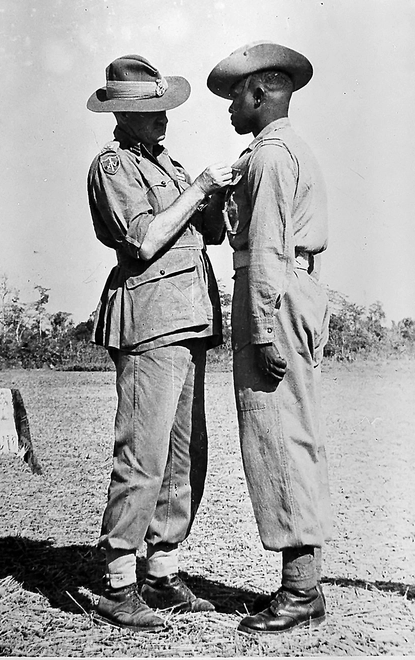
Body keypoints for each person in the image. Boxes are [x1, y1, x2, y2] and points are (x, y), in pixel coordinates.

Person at [86, 54, 232, 632]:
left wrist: (213, 197)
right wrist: (198, 189)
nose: (162, 119)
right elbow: (143, 240)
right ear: (123, 114)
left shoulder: (166, 164)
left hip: (188, 319)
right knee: (142, 455)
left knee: (183, 456)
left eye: (163, 108)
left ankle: (162, 572)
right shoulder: (113, 167)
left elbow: (211, 233)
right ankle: (120, 582)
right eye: (150, 111)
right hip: (149, 322)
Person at [207, 41, 332, 634]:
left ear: (260, 94)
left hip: (273, 297)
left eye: (235, 96)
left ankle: (301, 590)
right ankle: (302, 582)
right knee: (292, 436)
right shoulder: (284, 151)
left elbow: (265, 254)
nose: (231, 108)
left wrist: (258, 330)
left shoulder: (270, 157)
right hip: (292, 292)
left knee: (277, 438)